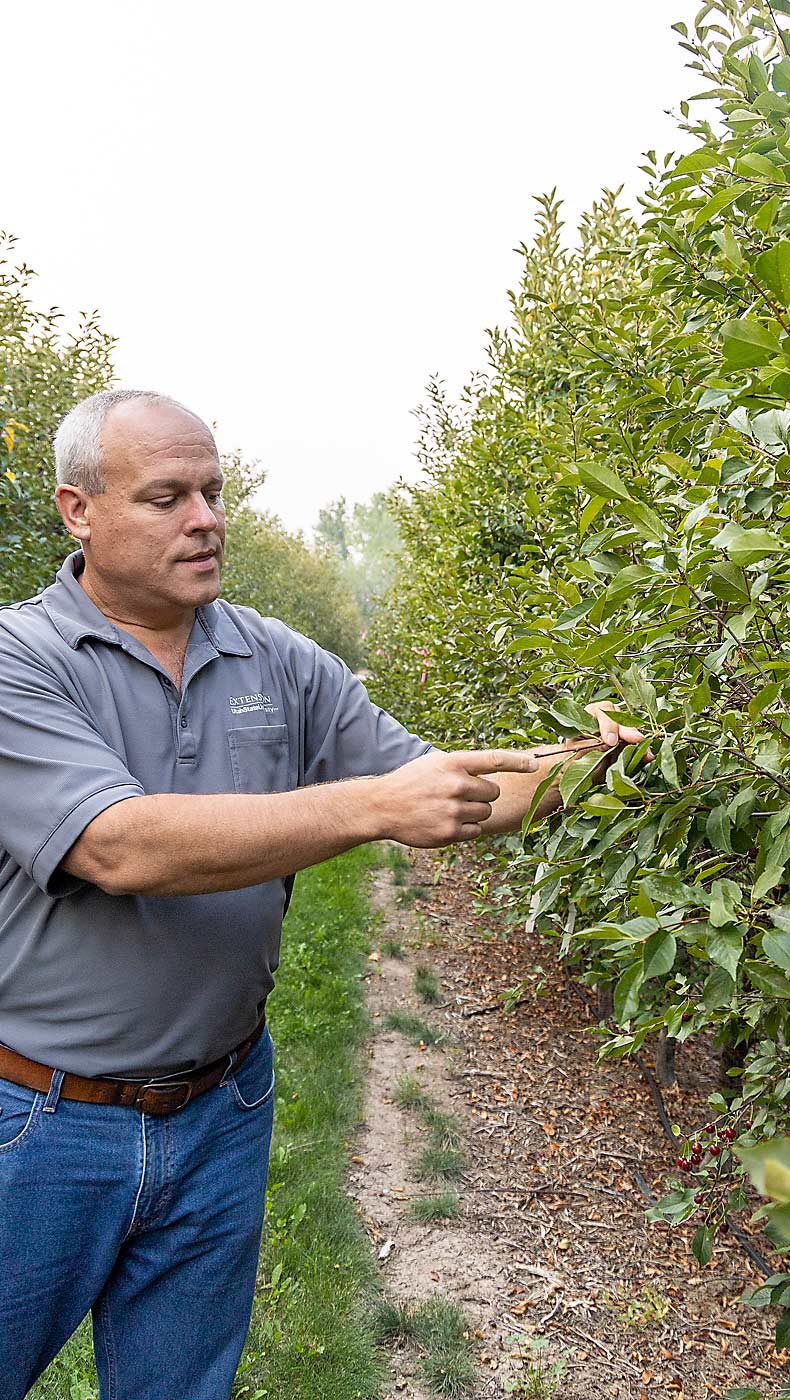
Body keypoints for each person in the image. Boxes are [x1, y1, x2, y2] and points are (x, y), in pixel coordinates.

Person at [0, 389, 647, 1400]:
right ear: (77, 509)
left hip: (219, 1106)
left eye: (213, 490)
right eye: (168, 495)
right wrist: (371, 808)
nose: (205, 516)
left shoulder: (274, 656)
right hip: (39, 1119)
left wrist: (593, 765)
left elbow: (447, 787)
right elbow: (117, 844)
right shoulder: (18, 660)